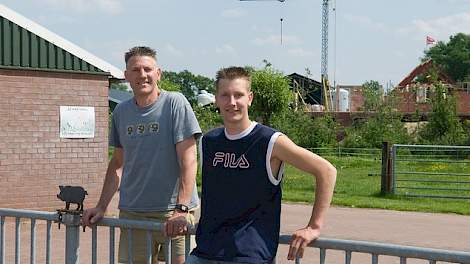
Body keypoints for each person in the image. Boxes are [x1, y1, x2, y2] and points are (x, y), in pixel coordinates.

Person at [187, 67, 337, 263]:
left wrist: (314, 226)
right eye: (225, 95)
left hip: (248, 255)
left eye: (238, 95)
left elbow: (326, 171)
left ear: (250, 98)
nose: (232, 102)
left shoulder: (270, 141)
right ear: (216, 98)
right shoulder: (208, 141)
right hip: (205, 252)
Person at [82, 46, 202, 264]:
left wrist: (182, 208)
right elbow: (117, 163)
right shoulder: (121, 112)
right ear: (127, 76)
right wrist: (101, 206)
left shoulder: (175, 103)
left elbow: (189, 159)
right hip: (133, 213)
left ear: (158, 73)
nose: (142, 74)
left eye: (148, 69)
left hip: (173, 214)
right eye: (136, 70)